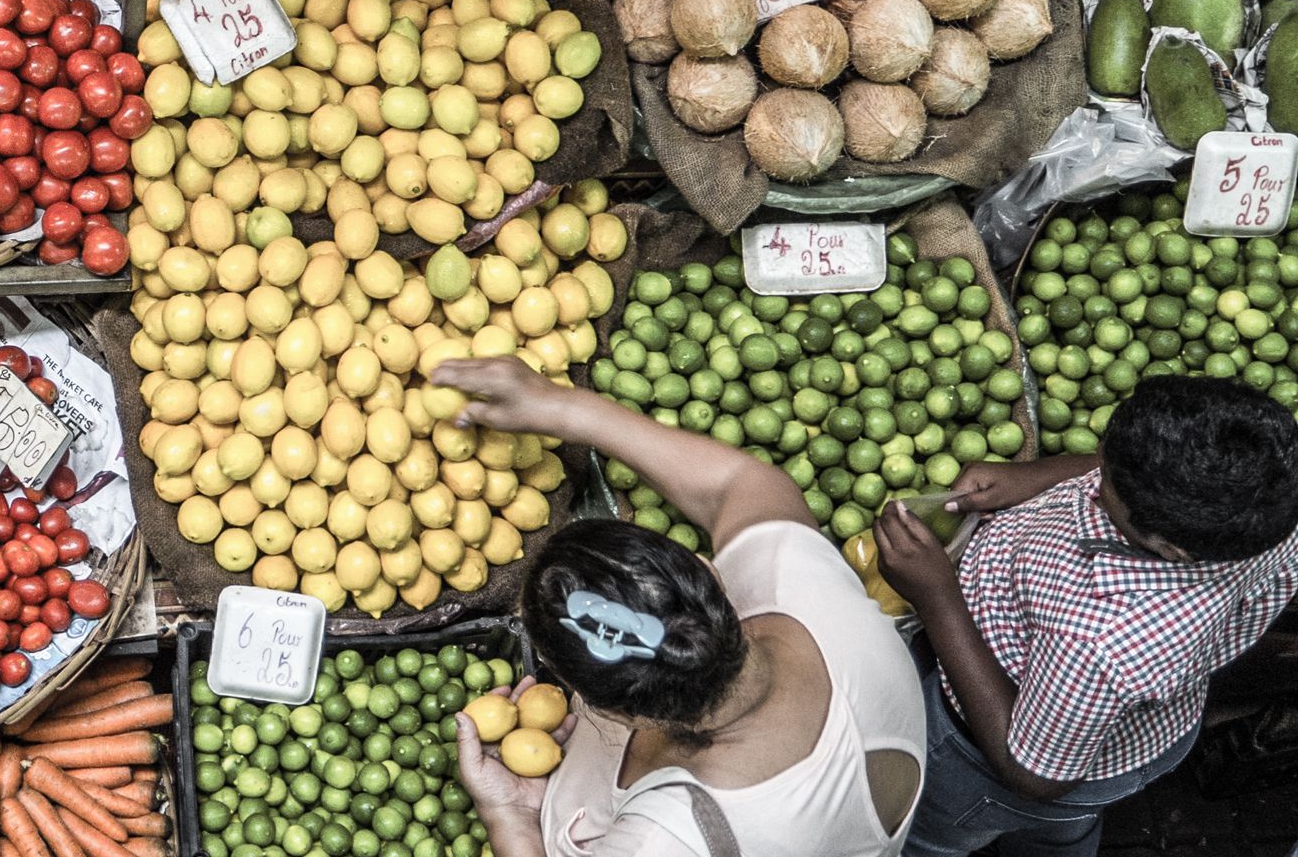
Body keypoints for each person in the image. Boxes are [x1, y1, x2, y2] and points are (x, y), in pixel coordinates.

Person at [434, 357, 926, 857]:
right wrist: (560, 407)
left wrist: (510, 816)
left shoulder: (670, 839)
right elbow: (737, 485)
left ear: (610, 713)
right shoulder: (799, 585)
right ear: (708, 572)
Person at [875, 375, 1298, 857]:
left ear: (1170, 548)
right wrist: (1035, 477)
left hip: (987, 752)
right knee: (1058, 826)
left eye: (1106, 479)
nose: (1094, 471)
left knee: (938, 824)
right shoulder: (1267, 502)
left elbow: (1032, 773)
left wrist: (938, 598)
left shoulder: (1105, 642)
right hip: (1115, 726)